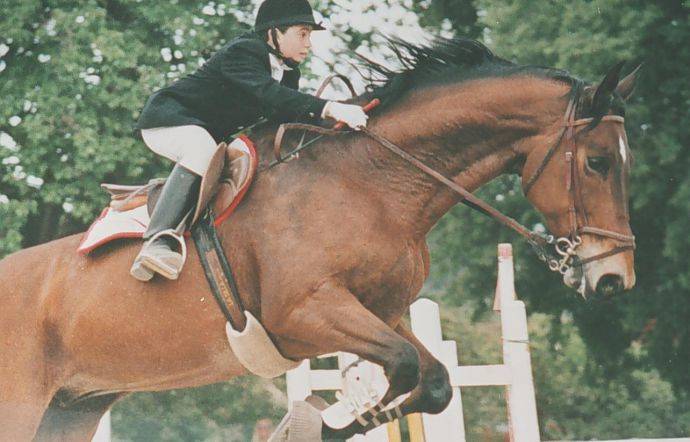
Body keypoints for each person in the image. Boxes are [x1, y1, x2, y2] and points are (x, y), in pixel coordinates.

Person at [130, 0, 369, 281]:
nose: (309, 45)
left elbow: (286, 116)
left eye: (310, 36)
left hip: (206, 132)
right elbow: (271, 95)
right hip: (168, 120)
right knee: (202, 150)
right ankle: (156, 240)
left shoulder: (289, 70)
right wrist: (330, 107)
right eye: (302, 34)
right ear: (274, 33)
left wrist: (336, 124)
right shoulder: (243, 51)